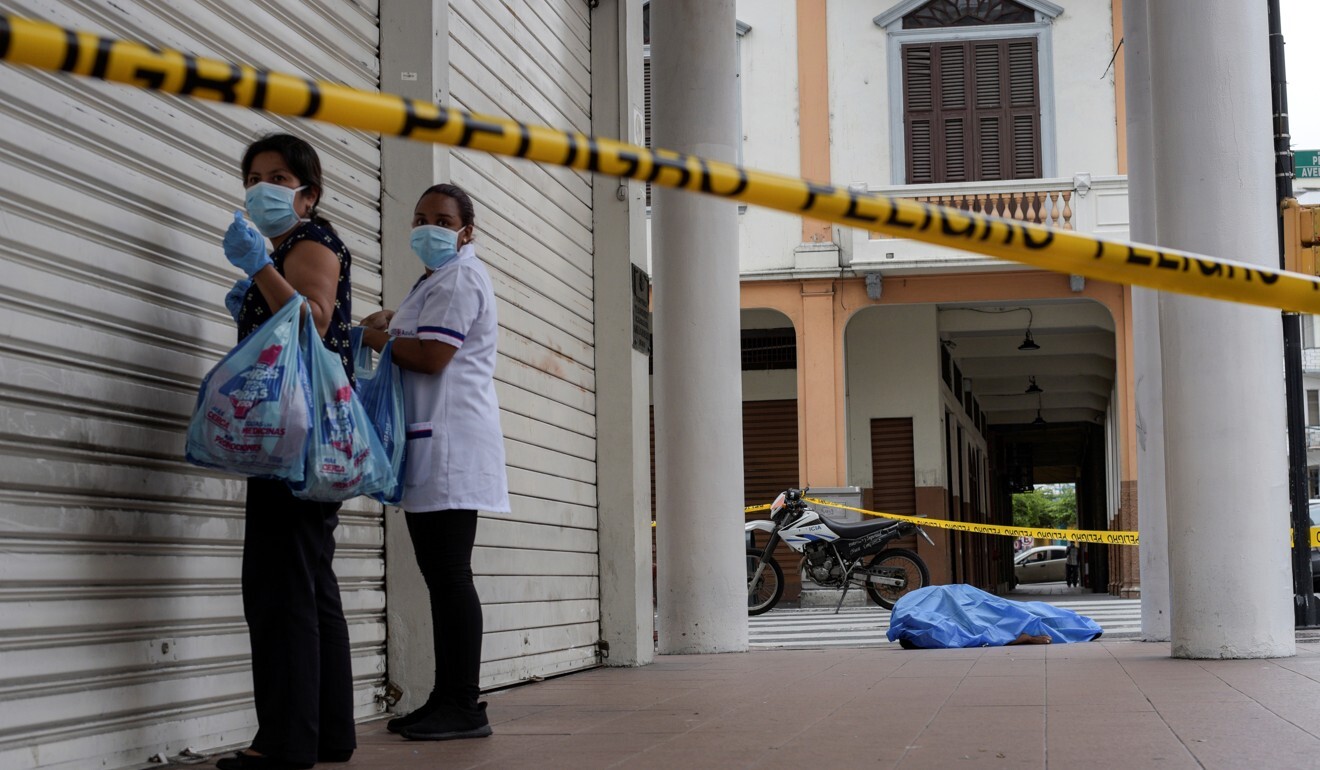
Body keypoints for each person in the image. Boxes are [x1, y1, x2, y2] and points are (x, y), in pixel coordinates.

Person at [216, 134, 356, 770]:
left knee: (279, 589)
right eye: (253, 175)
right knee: (308, 583)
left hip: (292, 436)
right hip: (306, 433)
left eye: (278, 176)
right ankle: (326, 734)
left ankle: (284, 744)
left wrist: (259, 272)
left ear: (309, 193)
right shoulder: (294, 247)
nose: (261, 186)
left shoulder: (310, 243)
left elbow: (314, 320)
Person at [357, 183, 510, 742]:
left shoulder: (463, 275)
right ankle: (447, 698)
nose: (430, 227)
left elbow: (433, 354)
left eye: (444, 219)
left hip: (451, 446)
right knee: (441, 578)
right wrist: (395, 320)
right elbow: (423, 331)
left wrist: (371, 336)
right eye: (421, 217)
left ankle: (464, 706)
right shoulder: (441, 279)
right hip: (436, 443)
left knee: (450, 578)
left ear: (467, 230)